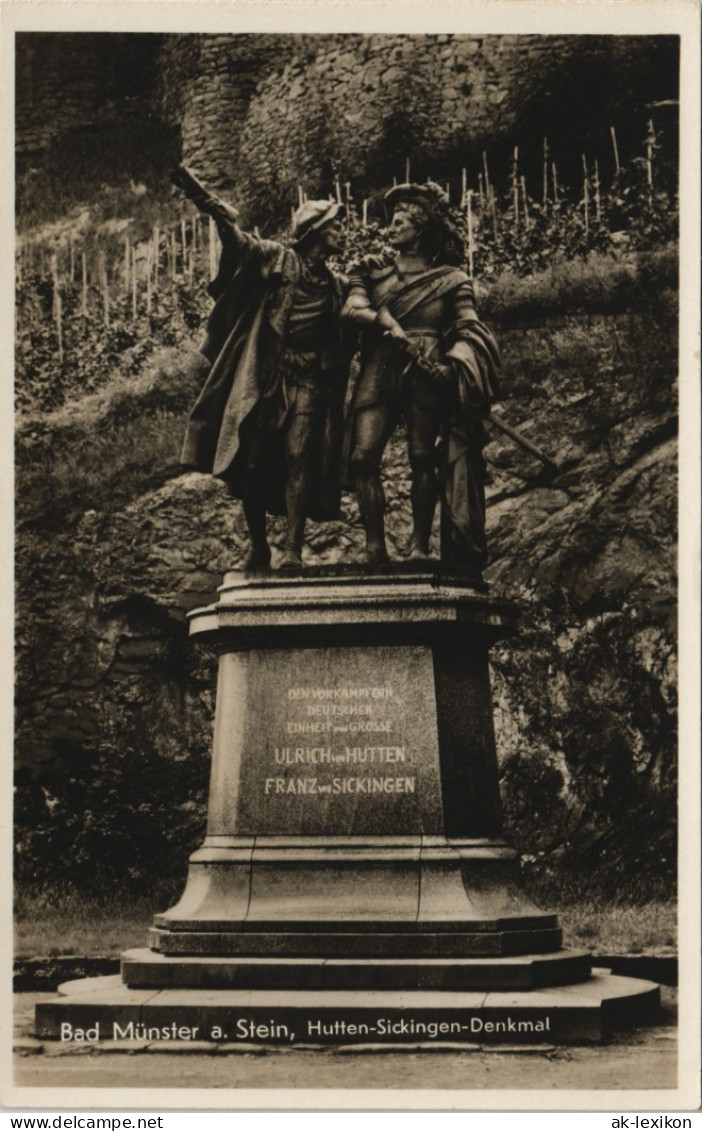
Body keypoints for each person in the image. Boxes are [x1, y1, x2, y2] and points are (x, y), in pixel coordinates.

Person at [173, 164, 351, 571]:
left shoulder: (337, 286)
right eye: (336, 227)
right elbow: (241, 244)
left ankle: (292, 546)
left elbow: (347, 332)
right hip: (267, 376)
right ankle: (258, 546)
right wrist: (216, 211)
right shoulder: (280, 259)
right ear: (317, 232)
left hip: (308, 379)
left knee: (298, 455)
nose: (342, 233)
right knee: (251, 459)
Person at [342, 181, 502, 576]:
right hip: (380, 365)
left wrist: (455, 366)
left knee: (421, 456)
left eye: (400, 222)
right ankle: (374, 546)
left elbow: (470, 329)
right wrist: (383, 320)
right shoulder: (372, 272)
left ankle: (419, 545)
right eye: (391, 222)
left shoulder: (451, 280)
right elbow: (351, 309)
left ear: (421, 229)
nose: (390, 229)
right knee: (362, 456)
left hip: (425, 372)